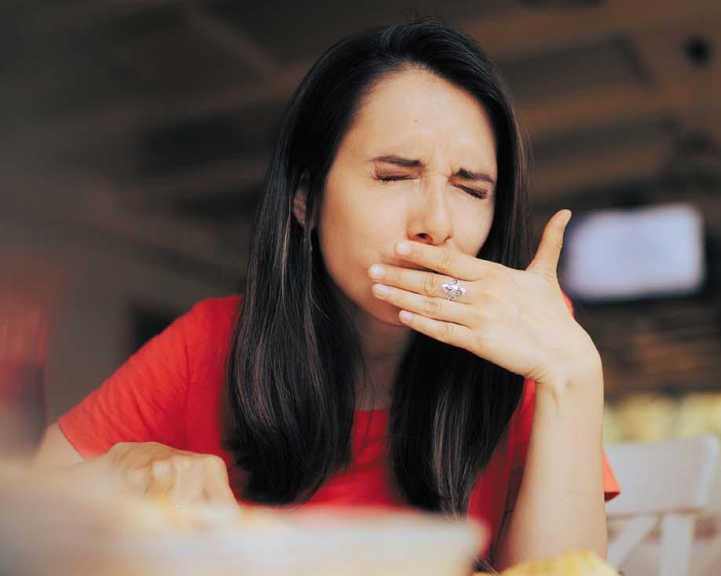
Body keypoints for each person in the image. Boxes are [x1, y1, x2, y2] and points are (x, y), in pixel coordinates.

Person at [33, 16, 619, 572]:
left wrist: (572, 373)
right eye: (394, 176)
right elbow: (25, 517)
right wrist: (125, 472)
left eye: (471, 189)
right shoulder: (210, 343)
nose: (437, 224)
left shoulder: (530, 342)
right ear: (305, 198)